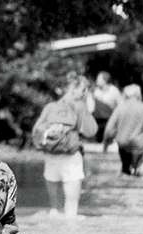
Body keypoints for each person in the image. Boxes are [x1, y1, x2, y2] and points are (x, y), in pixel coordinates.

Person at [32, 73, 98, 218]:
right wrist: (88, 108)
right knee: (71, 211)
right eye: (83, 89)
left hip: (50, 157)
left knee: (54, 211)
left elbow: (36, 131)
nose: (84, 93)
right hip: (71, 158)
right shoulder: (79, 105)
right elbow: (91, 131)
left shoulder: (50, 107)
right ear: (74, 89)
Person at [103, 84, 143, 176]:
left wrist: (106, 143)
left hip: (123, 143)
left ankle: (126, 170)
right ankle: (135, 168)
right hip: (137, 143)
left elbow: (109, 127)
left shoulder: (120, 108)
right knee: (136, 161)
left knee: (125, 166)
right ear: (138, 94)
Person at [90, 71, 122, 143]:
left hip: (110, 120)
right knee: (99, 141)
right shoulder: (95, 91)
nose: (96, 81)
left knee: (108, 141)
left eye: (98, 79)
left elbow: (121, 106)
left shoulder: (114, 91)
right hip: (98, 120)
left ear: (105, 80)